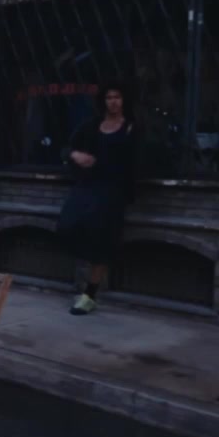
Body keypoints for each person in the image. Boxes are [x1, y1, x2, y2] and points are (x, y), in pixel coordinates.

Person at [57, 85, 136, 316]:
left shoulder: (131, 127)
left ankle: (89, 295)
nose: (113, 101)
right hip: (89, 184)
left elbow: (140, 158)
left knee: (102, 240)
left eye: (117, 96)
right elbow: (67, 148)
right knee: (67, 225)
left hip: (113, 189)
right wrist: (76, 155)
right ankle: (86, 266)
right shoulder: (91, 125)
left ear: (124, 100)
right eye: (109, 97)